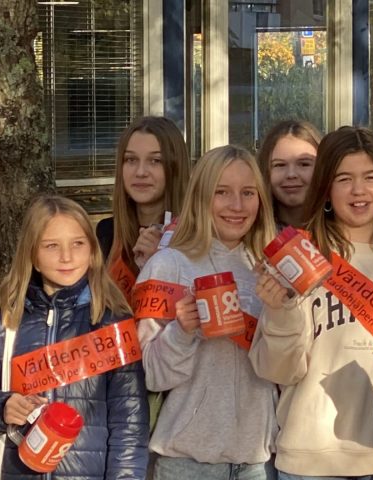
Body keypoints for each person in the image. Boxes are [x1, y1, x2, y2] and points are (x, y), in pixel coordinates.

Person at [251, 126, 373, 480]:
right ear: (326, 190)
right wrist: (279, 311)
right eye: (344, 179)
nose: (358, 190)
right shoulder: (300, 255)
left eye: (371, 177)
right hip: (310, 463)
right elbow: (279, 371)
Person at [0, 195, 148, 479]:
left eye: (78, 243)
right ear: (32, 255)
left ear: (92, 251)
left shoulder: (112, 325)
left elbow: (130, 424)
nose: (67, 257)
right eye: (51, 246)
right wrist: (1, 407)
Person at [137, 145, 279, 479]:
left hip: (259, 463)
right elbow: (150, 375)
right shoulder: (167, 265)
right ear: (201, 197)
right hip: (186, 463)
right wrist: (181, 332)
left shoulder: (271, 269)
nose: (237, 205)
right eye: (222, 192)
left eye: (248, 193)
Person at [98, 116, 192, 300]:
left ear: (175, 167)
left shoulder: (194, 235)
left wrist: (161, 262)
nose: (140, 172)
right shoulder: (106, 232)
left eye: (155, 161)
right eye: (131, 159)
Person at [258, 120, 322, 229]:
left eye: (304, 164)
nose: (291, 174)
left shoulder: (342, 232)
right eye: (280, 165)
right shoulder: (251, 233)